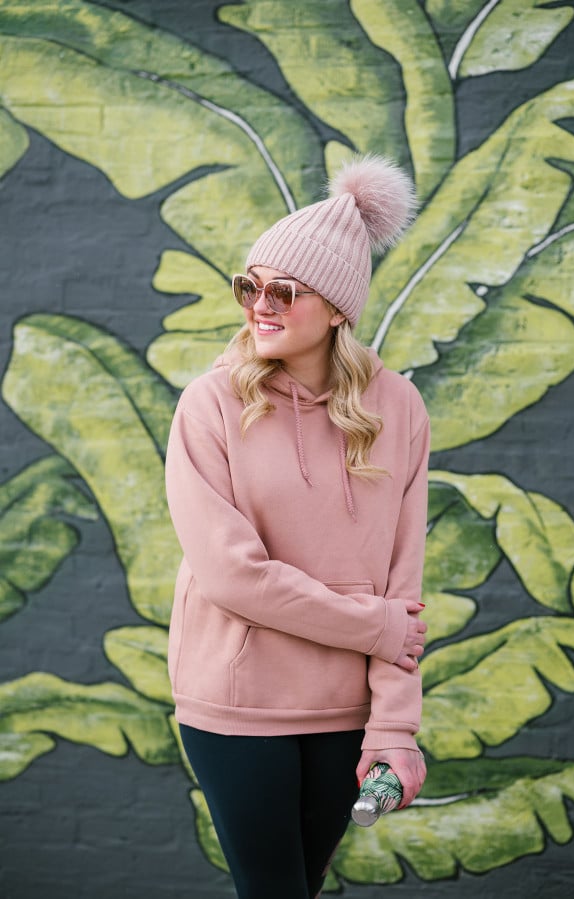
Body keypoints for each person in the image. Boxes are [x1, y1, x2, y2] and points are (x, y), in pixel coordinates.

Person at [164, 154, 429, 899]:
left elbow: (400, 583)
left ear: (338, 307)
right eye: (250, 286)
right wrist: (369, 626)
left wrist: (394, 729)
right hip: (236, 702)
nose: (260, 305)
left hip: (344, 705)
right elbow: (231, 574)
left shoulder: (399, 408)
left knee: (300, 887)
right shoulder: (209, 405)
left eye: (285, 291)